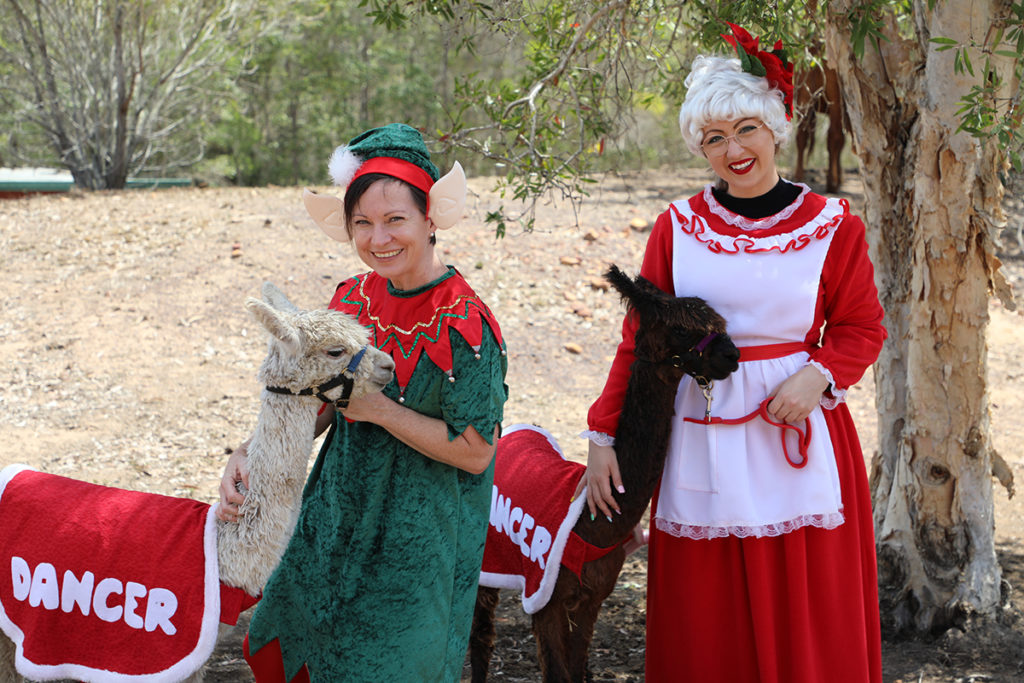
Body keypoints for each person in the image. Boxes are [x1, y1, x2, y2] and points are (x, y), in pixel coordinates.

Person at [578, 25, 886, 682]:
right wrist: (602, 431)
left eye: (746, 128)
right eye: (713, 139)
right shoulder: (677, 227)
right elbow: (641, 338)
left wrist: (819, 375)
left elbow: (862, 327)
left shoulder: (835, 226)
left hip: (796, 430)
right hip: (702, 429)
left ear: (775, 126)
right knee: (707, 616)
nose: (733, 149)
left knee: (805, 607)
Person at [216, 123, 508, 682]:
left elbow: (475, 452)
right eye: (363, 223)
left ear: (429, 218)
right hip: (334, 520)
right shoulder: (353, 297)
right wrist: (251, 452)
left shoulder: (466, 325)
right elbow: (319, 401)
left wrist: (381, 411)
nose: (379, 238)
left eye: (396, 219)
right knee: (300, 646)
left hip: (416, 544)